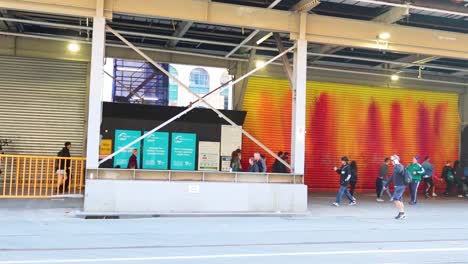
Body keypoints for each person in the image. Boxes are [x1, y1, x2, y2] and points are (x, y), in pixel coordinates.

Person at [386, 154, 406, 220]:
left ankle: (401, 213)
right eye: (391, 160)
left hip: (400, 186)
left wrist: (397, 163)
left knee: (396, 199)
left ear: (396, 160)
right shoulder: (395, 167)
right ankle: (402, 213)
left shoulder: (400, 166)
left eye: (392, 160)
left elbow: (399, 171)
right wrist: (386, 185)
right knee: (400, 200)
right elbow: (392, 177)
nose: (391, 162)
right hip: (398, 186)